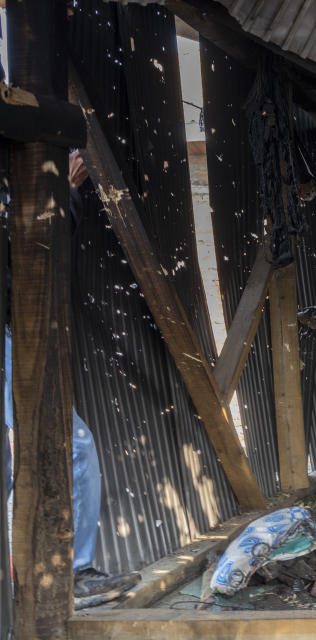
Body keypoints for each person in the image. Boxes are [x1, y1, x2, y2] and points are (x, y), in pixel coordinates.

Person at [4, 152, 140, 609]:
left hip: (14, 331)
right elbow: (33, 247)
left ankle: (68, 573)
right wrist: (66, 192)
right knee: (71, 447)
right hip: (9, 336)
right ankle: (74, 573)